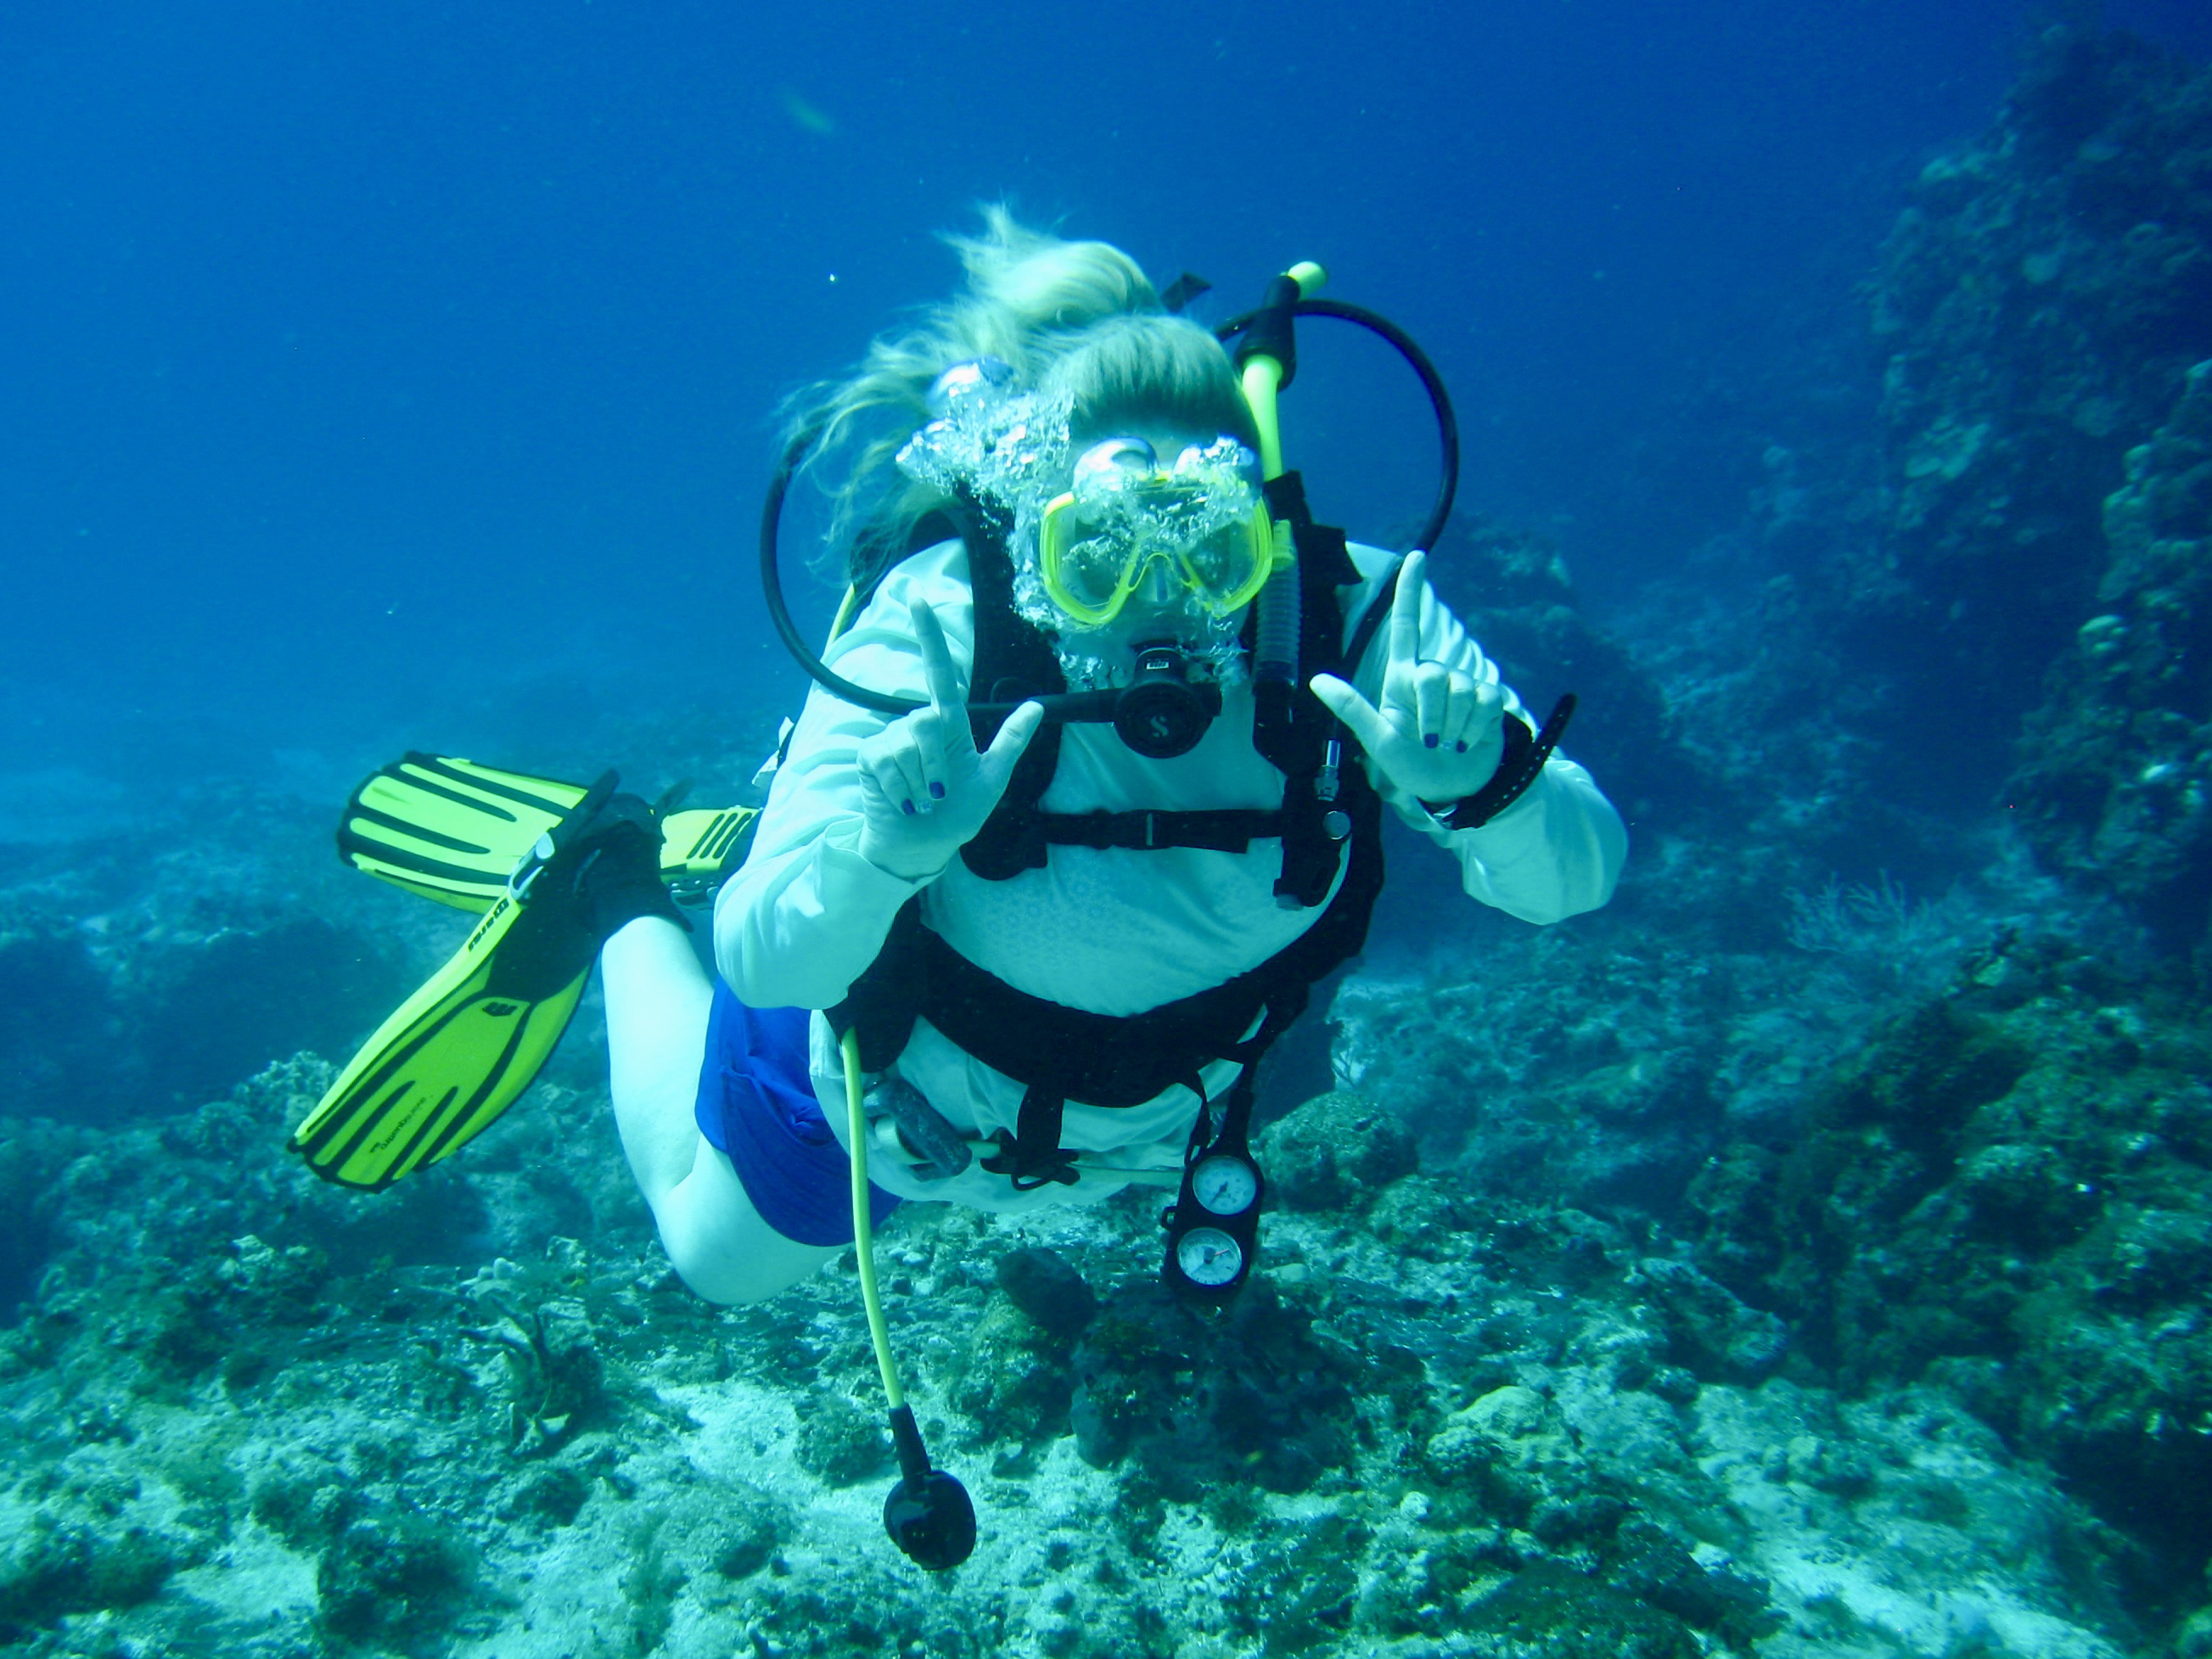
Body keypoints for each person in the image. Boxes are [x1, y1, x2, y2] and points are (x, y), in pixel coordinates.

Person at [593, 213, 1626, 1306]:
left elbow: (1577, 879)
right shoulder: (944, 619)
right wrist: (885, 854)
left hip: (1135, 1130)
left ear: (1259, 530)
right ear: (1036, 531)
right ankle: (610, 883)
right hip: (898, 1101)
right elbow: (770, 962)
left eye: (1209, 545)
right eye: (1097, 556)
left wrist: (1486, 792)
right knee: (716, 1263)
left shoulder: (1354, 616)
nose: (1161, 605)